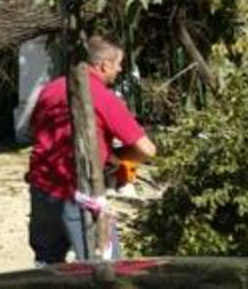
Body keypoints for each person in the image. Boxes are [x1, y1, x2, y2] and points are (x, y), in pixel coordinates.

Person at [26, 35, 156, 265]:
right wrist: (117, 157)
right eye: (118, 64)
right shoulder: (104, 98)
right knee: (105, 268)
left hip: (42, 190)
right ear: (104, 64)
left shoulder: (51, 89)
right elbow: (146, 150)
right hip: (78, 193)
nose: (119, 70)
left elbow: (34, 130)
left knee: (46, 263)